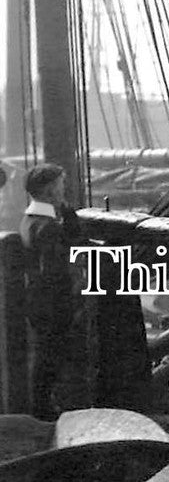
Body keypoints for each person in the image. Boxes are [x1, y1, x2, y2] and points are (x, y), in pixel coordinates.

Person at [19, 163, 81, 420]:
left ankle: (42, 406)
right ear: (49, 190)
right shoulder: (49, 227)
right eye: (60, 185)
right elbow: (55, 269)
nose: (63, 189)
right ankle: (45, 410)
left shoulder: (29, 220)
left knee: (44, 354)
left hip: (36, 300)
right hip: (54, 303)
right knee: (53, 355)